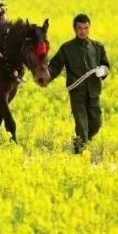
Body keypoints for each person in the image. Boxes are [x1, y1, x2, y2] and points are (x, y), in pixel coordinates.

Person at [46, 14, 110, 154]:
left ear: (89, 28)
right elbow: (55, 66)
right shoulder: (67, 48)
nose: (83, 31)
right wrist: (44, 77)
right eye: (79, 28)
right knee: (81, 125)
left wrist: (103, 71)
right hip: (77, 93)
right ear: (74, 29)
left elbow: (105, 65)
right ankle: (81, 153)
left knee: (96, 124)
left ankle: (81, 142)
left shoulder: (97, 47)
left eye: (86, 28)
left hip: (94, 91)